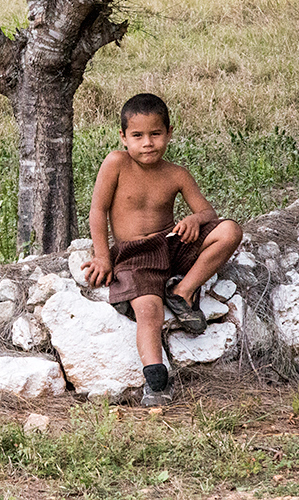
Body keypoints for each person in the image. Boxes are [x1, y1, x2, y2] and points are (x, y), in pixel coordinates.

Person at [82, 93, 243, 406]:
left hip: (171, 244)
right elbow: (97, 211)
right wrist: (103, 256)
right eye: (138, 136)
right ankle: (156, 380)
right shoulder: (116, 163)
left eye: (155, 134)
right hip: (135, 257)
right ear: (123, 137)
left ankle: (182, 292)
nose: (147, 143)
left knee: (229, 231)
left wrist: (195, 220)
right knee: (149, 310)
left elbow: (208, 213)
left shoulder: (176, 174)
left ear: (169, 133)